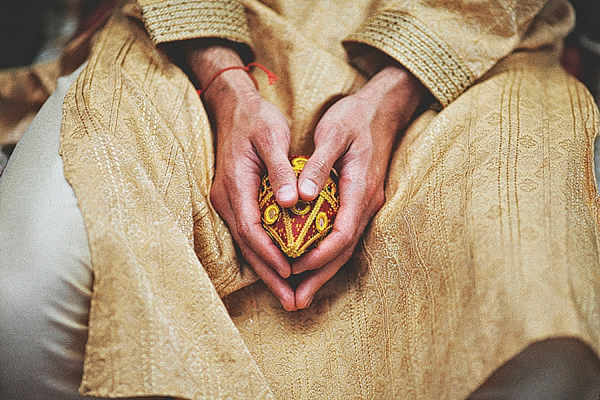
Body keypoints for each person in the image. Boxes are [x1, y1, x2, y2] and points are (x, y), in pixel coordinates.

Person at [1, 0, 599, 398]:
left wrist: (397, 89)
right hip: (196, 34)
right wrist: (224, 80)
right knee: (21, 310)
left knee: (545, 345)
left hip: (476, 42)